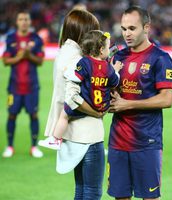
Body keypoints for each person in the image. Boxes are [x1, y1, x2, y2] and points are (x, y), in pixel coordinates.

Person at [107, 6, 172, 200]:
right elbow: (111, 96)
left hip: (147, 143)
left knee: (150, 198)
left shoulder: (160, 58)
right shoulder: (117, 57)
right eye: (123, 28)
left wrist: (127, 104)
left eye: (132, 28)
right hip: (118, 141)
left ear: (146, 27)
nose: (126, 34)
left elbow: (167, 99)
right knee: (120, 197)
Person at [43, 9, 106, 199]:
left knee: (81, 189)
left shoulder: (64, 52)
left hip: (72, 132)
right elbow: (73, 97)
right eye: (93, 31)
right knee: (92, 191)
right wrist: (96, 112)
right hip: (86, 134)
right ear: (83, 31)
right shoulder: (77, 59)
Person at [39, 30, 123, 150]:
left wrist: (67, 71)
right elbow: (115, 81)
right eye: (108, 47)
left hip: (88, 103)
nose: (109, 50)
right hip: (103, 106)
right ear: (101, 50)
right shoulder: (108, 67)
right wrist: (116, 70)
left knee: (64, 114)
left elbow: (76, 77)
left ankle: (56, 139)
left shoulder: (85, 62)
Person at [2, 11, 44, 158]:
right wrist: (20, 57)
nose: (24, 21)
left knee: (34, 115)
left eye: (26, 19)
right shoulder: (11, 38)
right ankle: (9, 146)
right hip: (14, 87)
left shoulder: (36, 39)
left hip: (32, 87)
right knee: (12, 115)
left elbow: (40, 61)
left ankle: (34, 147)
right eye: (21, 19)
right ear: (17, 21)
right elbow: (6, 61)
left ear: (30, 21)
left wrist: (28, 55)